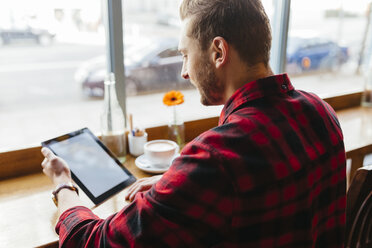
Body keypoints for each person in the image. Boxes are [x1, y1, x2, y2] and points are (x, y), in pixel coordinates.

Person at [41, 0, 346, 247]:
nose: (184, 72)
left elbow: (90, 242)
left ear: (218, 52)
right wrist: (172, 185)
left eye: (186, 54)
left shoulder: (216, 158)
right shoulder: (322, 112)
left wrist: (63, 185)